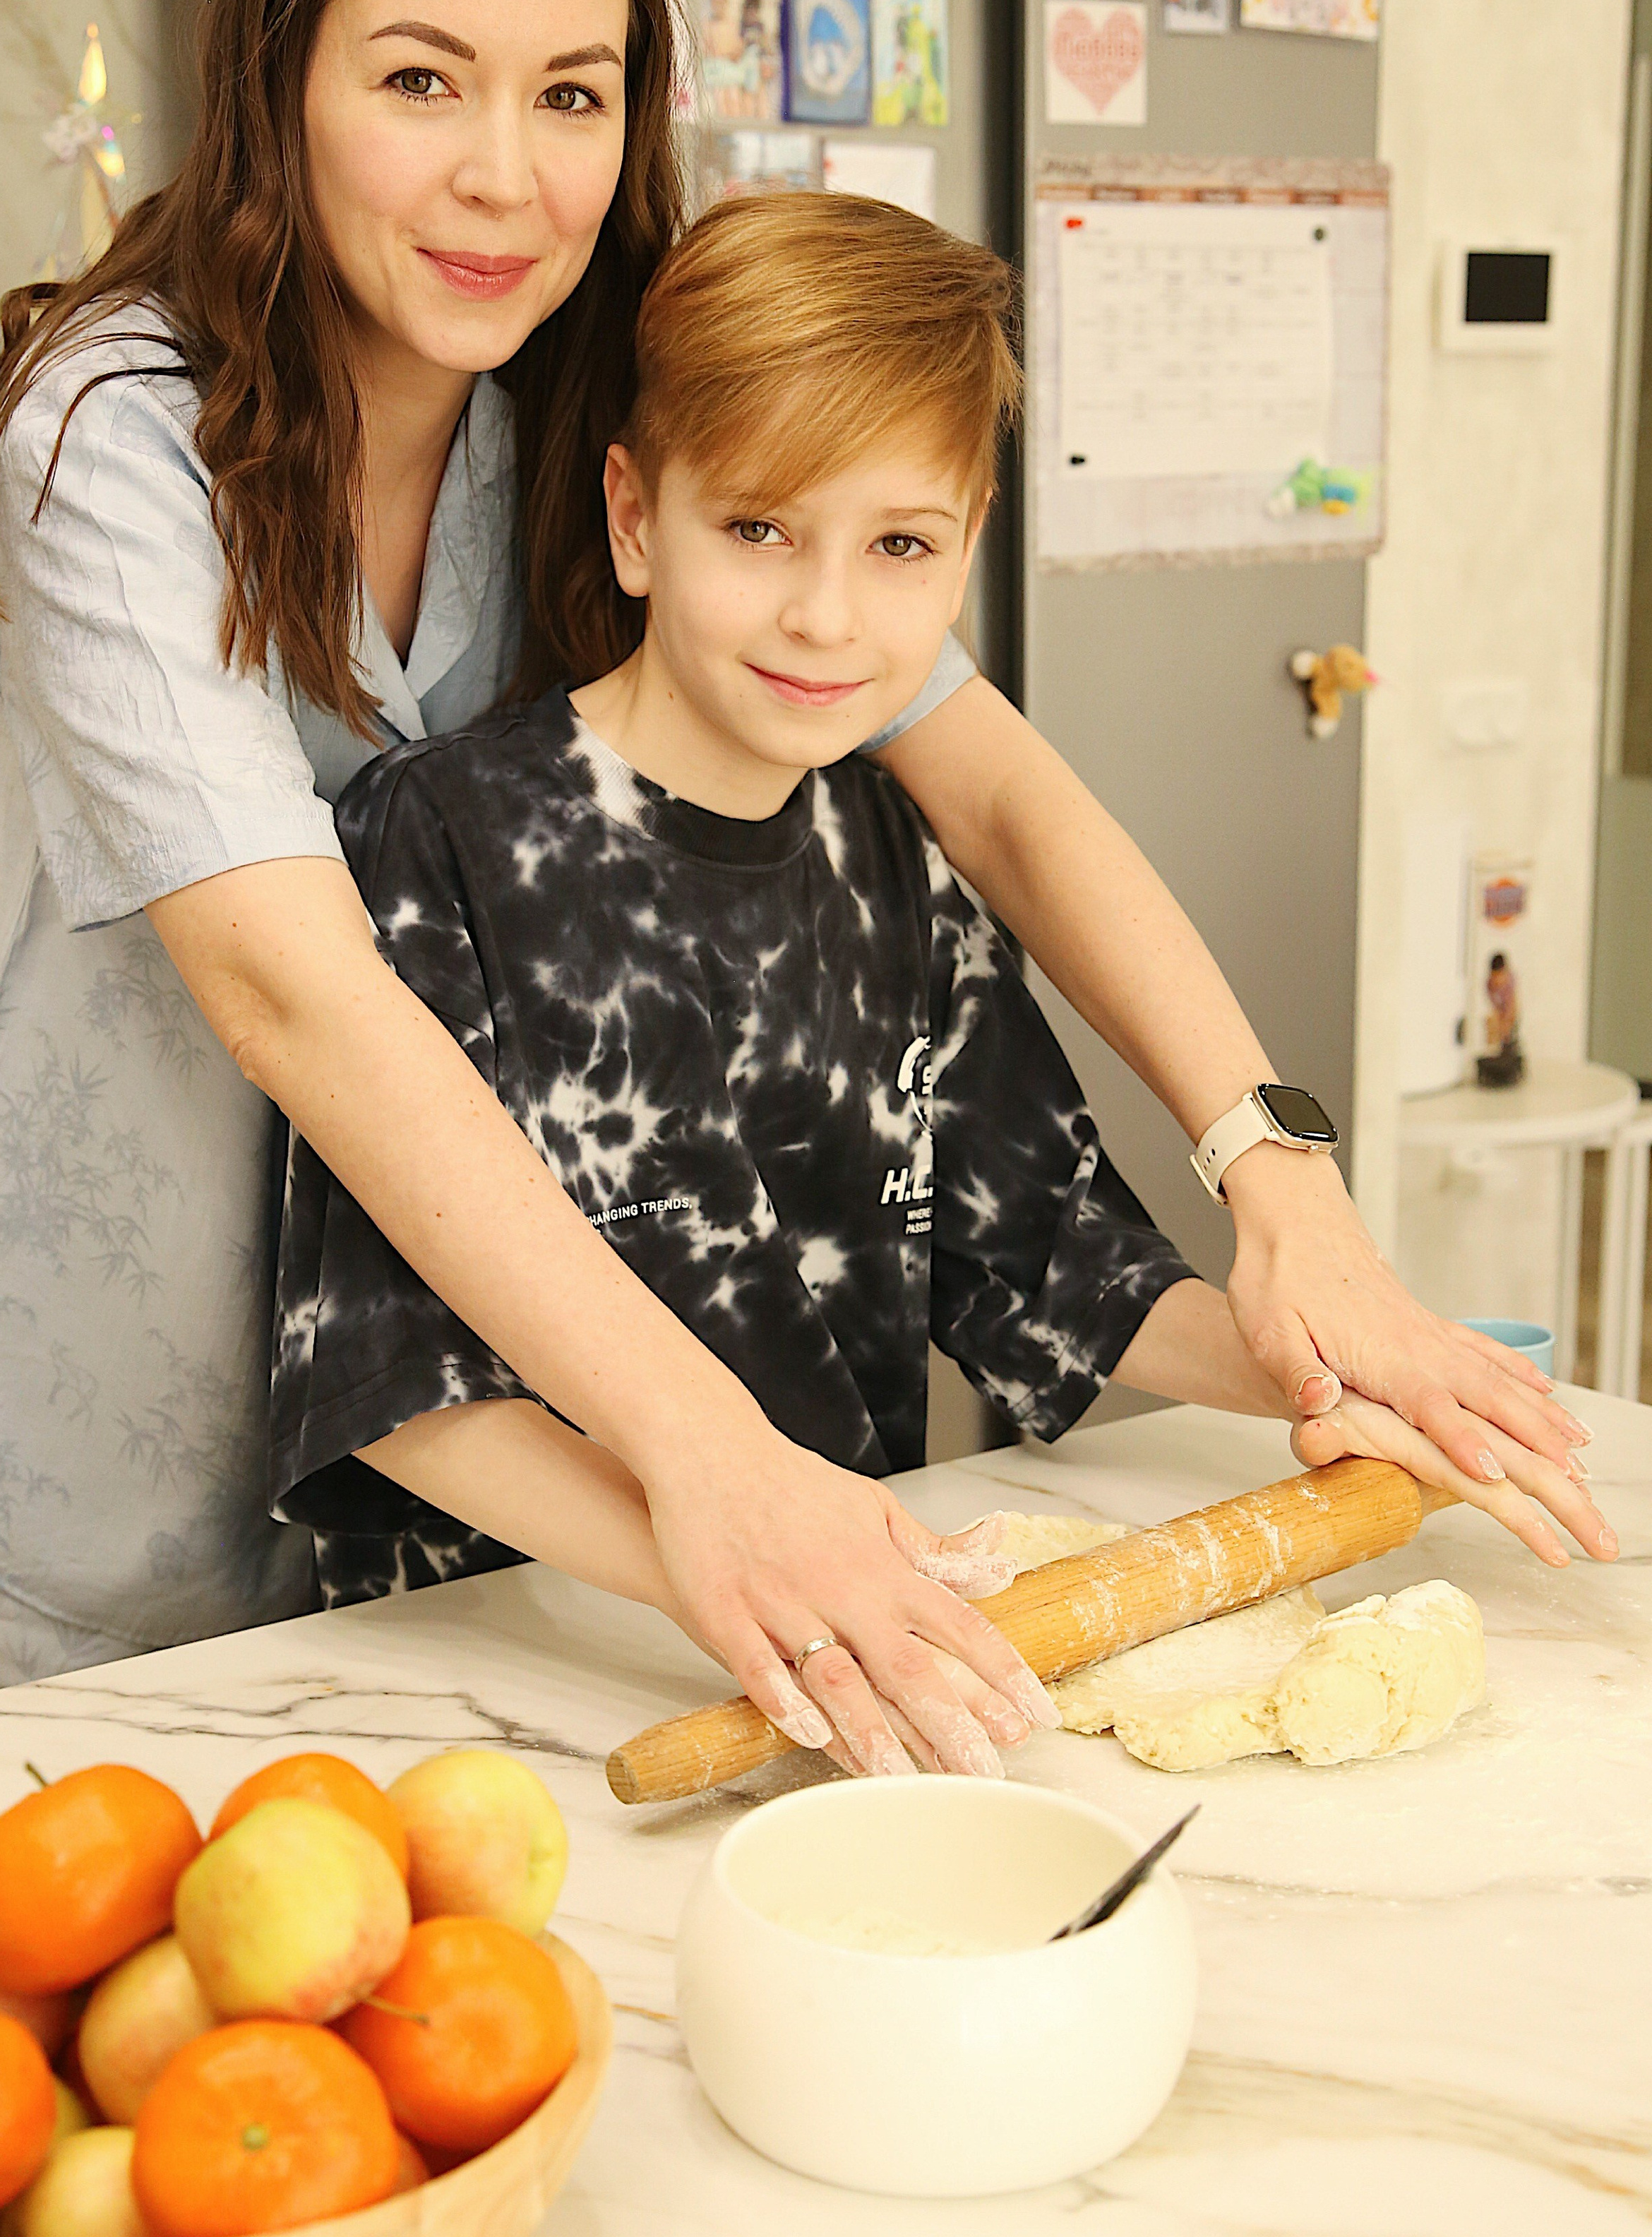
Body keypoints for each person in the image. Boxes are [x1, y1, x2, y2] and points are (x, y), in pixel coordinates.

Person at [0, 0, 1599, 1736]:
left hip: (472, 1448)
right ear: (281, 79)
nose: (507, 172)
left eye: (571, 93)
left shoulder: (573, 383)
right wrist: (707, 1460)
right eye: (421, 77)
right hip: (76, 1404)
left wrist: (1281, 1186)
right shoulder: (112, 441)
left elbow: (998, 787)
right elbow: (291, 989)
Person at [270, 193, 1598, 1775]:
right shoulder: (439, 838)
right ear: (634, 518)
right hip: (517, 1679)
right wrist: (759, 1581)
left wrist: (1326, 1370)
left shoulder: (881, 842)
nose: (827, 615)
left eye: (898, 545)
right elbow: (387, 1385)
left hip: (851, 1686)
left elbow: (1035, 1260)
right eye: (756, 529)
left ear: (965, 546)